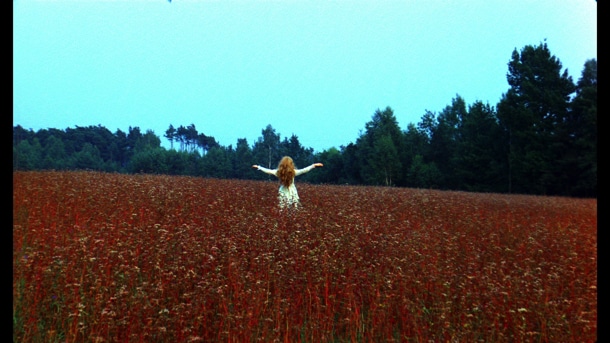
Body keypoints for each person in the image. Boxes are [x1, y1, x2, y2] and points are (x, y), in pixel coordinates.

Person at [252, 156, 323, 209]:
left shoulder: (278, 172)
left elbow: (268, 171)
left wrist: (259, 167)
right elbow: (304, 170)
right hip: (292, 191)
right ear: (291, 164)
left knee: (282, 208)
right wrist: (314, 166)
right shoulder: (293, 172)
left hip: (282, 191)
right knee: (295, 208)